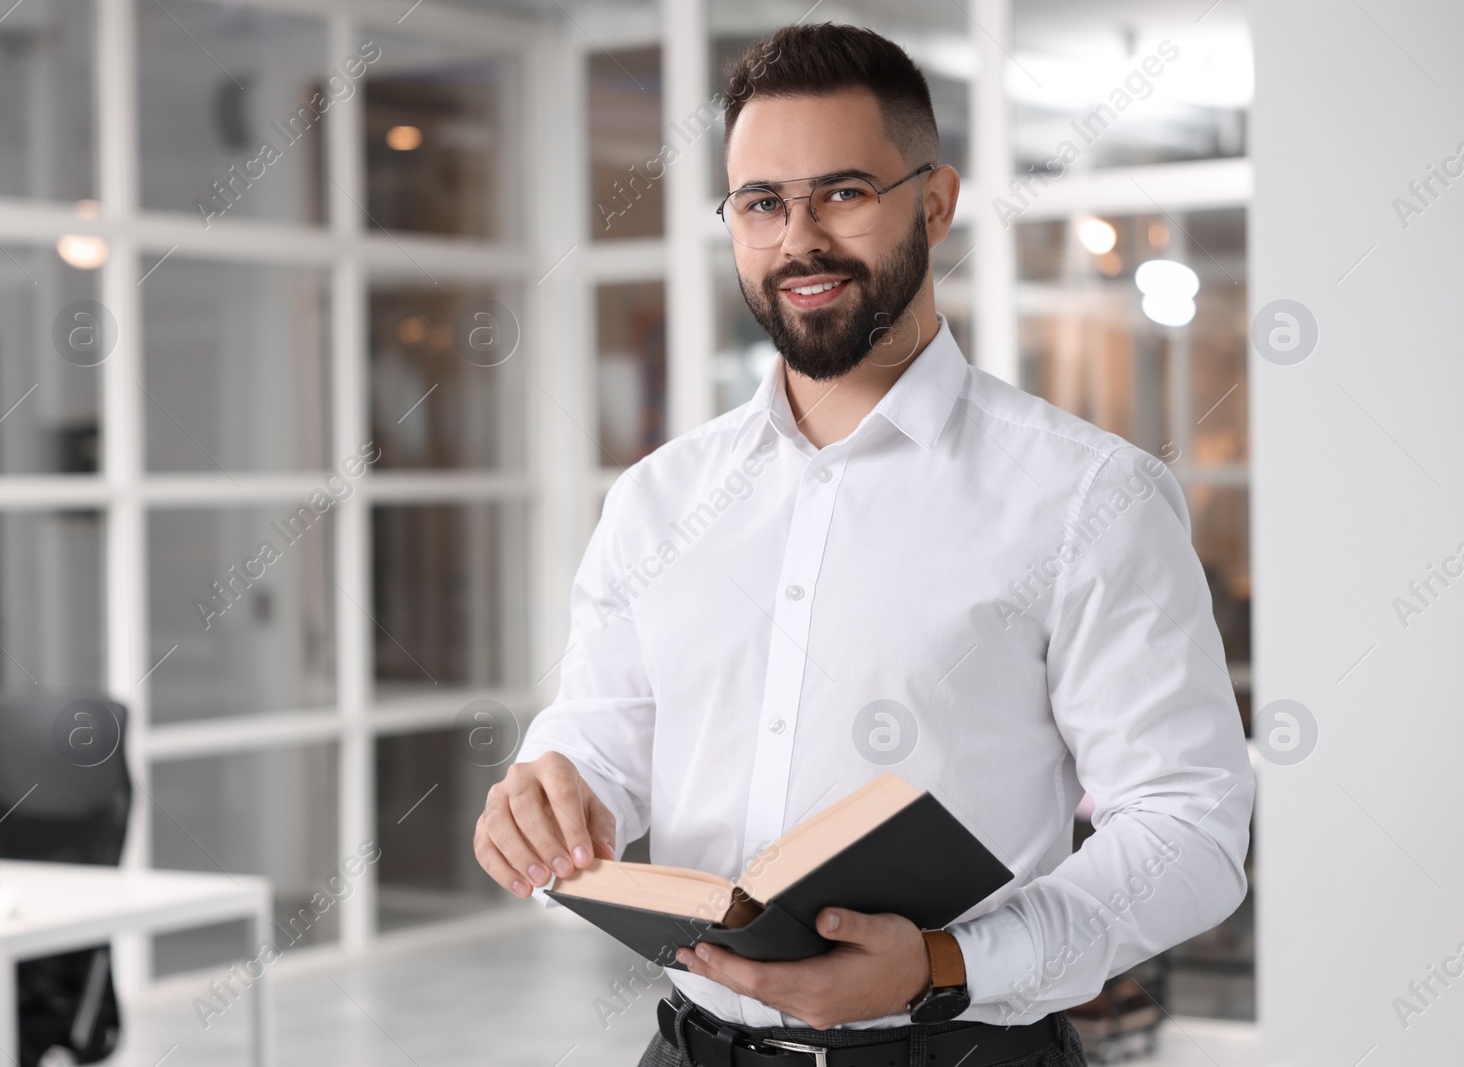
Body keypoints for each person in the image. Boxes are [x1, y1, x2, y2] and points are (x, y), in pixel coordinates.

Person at [475, 21, 1254, 1067]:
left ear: (933, 202)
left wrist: (945, 962)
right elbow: (599, 744)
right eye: (761, 203)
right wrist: (544, 790)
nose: (798, 238)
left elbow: (1190, 832)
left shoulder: (1088, 496)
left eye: (841, 192)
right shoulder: (657, 499)